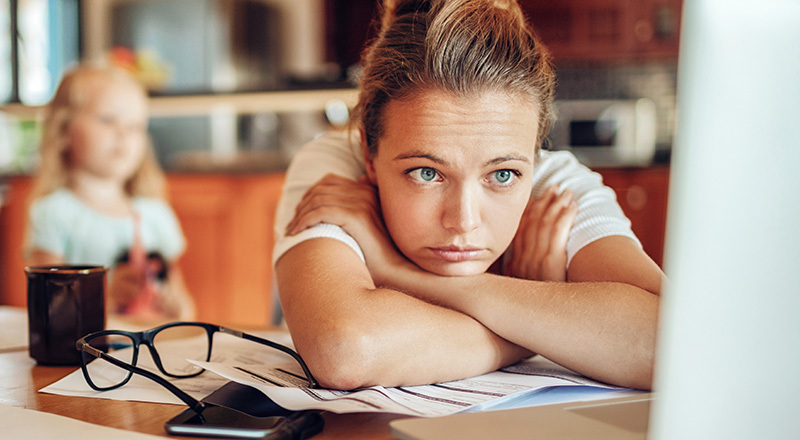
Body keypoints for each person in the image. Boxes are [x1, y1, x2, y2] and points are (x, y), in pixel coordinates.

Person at [274, 0, 663, 391]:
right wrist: (538, 324)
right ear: (369, 153)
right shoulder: (334, 167)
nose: (463, 220)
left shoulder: (554, 189)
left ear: (534, 154)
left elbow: (674, 345)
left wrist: (399, 273)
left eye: (504, 174)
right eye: (426, 173)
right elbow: (346, 349)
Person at [24, 65, 195, 321]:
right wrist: (109, 299)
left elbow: (186, 310)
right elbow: (49, 315)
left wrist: (173, 305)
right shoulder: (54, 213)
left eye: (135, 126)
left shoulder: (156, 214)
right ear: (63, 129)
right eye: (107, 119)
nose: (123, 134)